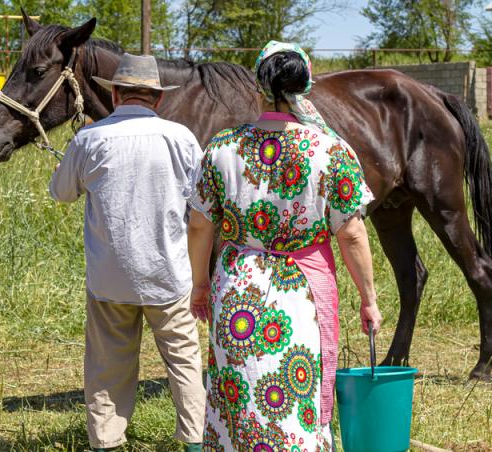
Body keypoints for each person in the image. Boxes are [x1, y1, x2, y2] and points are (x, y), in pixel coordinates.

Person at [187, 41, 383, 451]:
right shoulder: (330, 151)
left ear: (258, 87)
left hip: (236, 290)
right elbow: (350, 233)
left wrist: (200, 285)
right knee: (296, 396)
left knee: (238, 395)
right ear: (305, 86)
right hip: (300, 294)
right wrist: (369, 297)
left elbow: (199, 227)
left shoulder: (221, 148)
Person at [49, 53, 205, 452]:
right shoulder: (182, 138)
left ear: (116, 93)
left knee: (107, 368)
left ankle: (107, 442)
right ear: (156, 97)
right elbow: (202, 202)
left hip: (109, 278)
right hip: (169, 272)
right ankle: (194, 441)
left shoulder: (90, 139)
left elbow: (61, 192)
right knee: (184, 362)